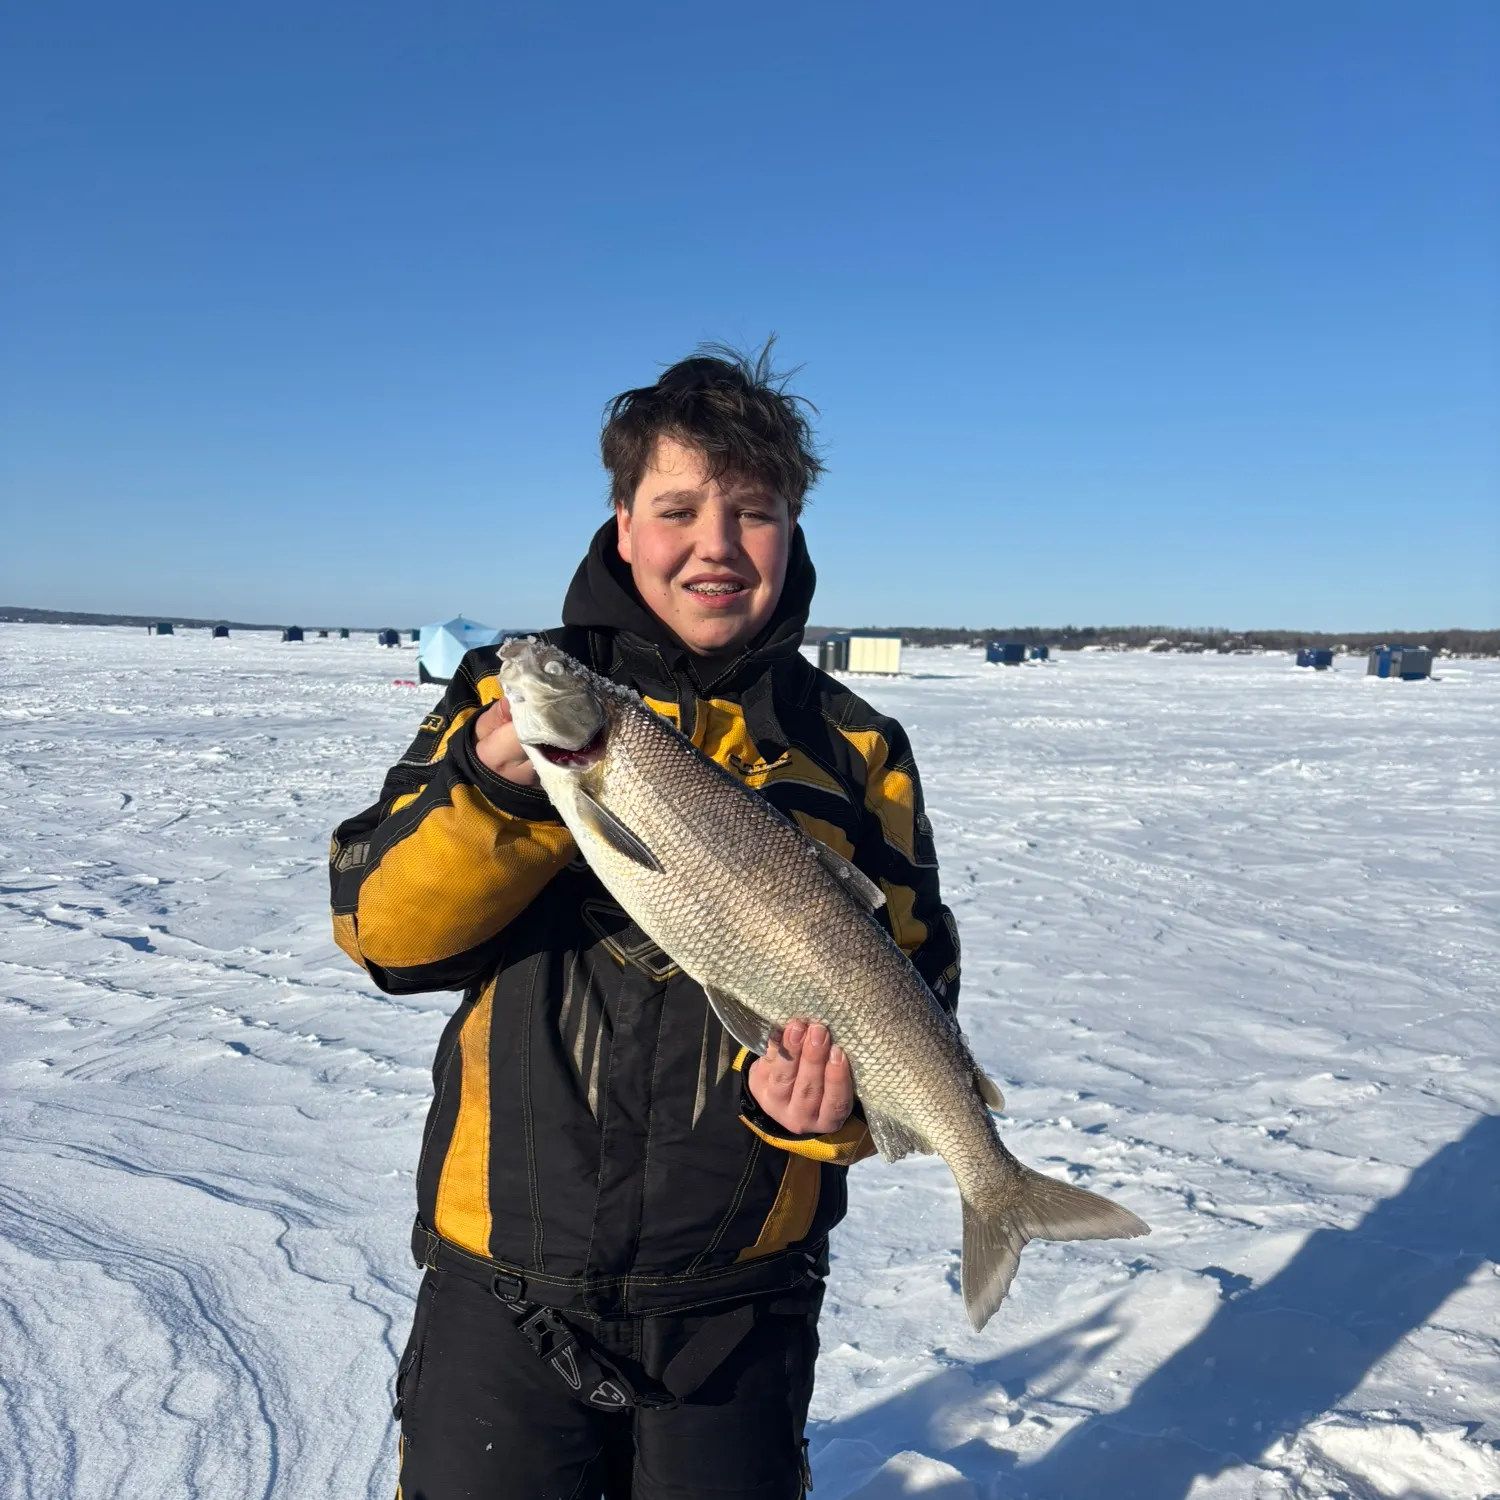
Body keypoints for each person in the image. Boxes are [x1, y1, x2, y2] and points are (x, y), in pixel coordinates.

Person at [330, 345, 961, 1500]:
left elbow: (915, 988)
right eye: (678, 508)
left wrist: (838, 1115)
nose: (715, 544)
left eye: (753, 513)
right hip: (502, 1281)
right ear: (623, 526)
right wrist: (498, 791)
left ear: (792, 533)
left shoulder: (856, 747)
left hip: (739, 1300)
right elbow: (384, 932)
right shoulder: (503, 697)